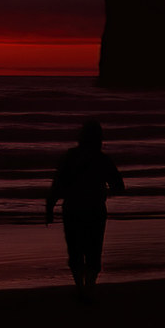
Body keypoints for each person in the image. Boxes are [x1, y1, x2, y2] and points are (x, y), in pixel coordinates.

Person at [45, 120, 125, 301]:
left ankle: (80, 288)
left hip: (72, 208)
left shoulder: (69, 156)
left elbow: (57, 185)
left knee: (75, 250)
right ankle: (89, 287)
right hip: (95, 209)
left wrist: (49, 207)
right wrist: (104, 192)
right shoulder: (102, 159)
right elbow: (119, 186)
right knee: (93, 250)